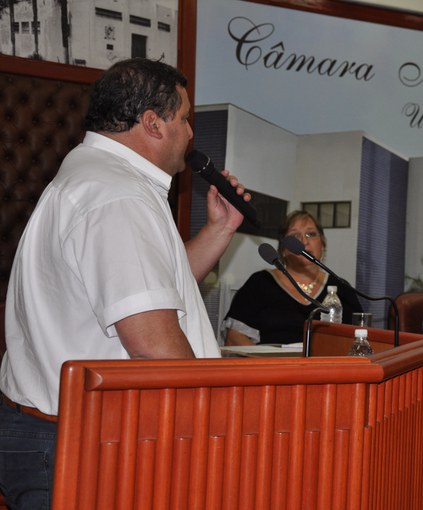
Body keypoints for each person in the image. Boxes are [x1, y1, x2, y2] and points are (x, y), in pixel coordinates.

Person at [0, 58, 248, 509]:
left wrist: (219, 230)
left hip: (64, 433)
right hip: (78, 442)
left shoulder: (102, 178)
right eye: (184, 119)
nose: (191, 132)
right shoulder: (116, 195)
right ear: (152, 123)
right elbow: (153, 346)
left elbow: (153, 291)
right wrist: (214, 422)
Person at [223, 210, 363, 345]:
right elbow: (234, 338)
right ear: (283, 250)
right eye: (295, 236)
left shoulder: (341, 288)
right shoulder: (261, 282)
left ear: (322, 244)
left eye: (311, 234)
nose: (304, 241)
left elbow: (361, 338)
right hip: (272, 361)